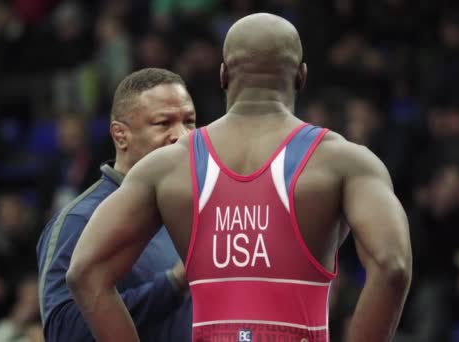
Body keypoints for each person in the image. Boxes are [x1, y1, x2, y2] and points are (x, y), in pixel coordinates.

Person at [67, 13, 412, 342]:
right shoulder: (344, 162)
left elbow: (84, 272)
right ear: (302, 76)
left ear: (223, 75)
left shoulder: (165, 167)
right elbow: (392, 266)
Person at [36, 68, 196, 341]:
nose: (181, 135)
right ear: (121, 135)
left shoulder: (199, 210)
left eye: (189, 121)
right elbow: (65, 333)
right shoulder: (78, 221)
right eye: (163, 123)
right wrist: (173, 284)